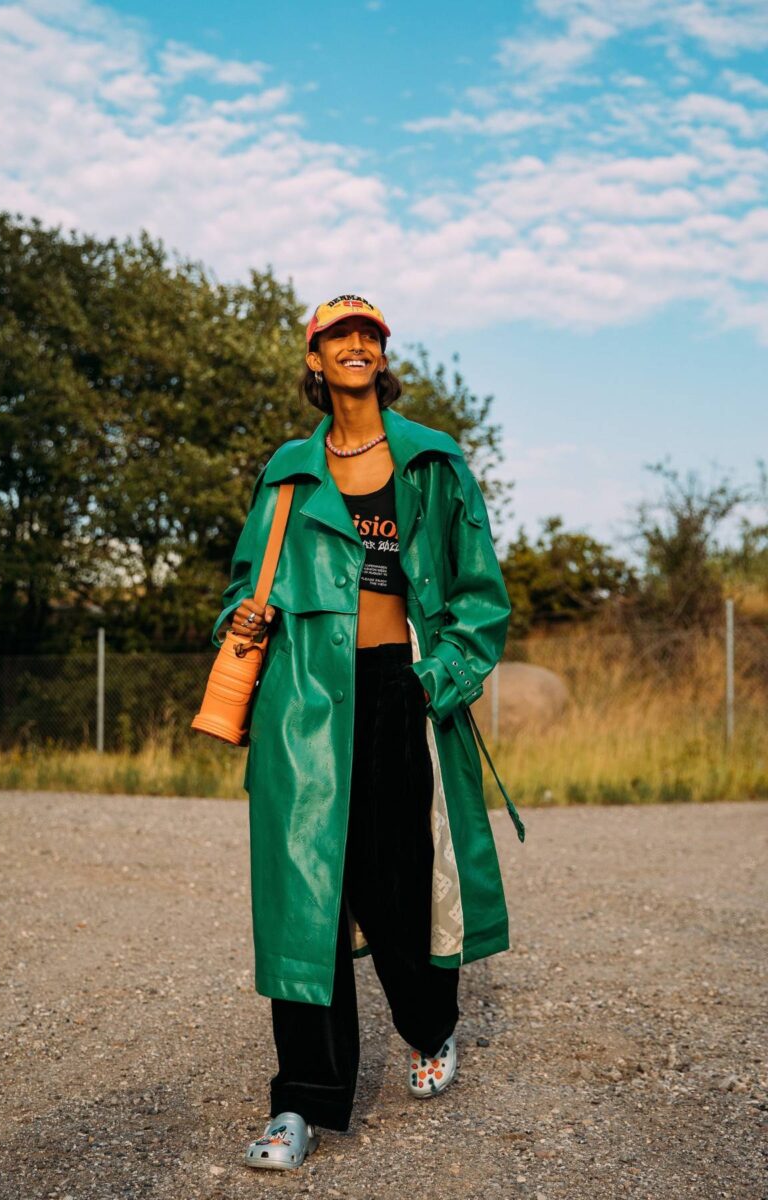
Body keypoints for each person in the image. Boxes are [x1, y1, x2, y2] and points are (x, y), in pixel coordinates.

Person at [211, 294, 525, 1171]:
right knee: (301, 896)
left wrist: (437, 680)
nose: (354, 345)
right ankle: (300, 1103)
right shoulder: (288, 471)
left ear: (381, 357)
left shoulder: (433, 461)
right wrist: (240, 632)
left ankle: (430, 1024)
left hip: (400, 688)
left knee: (398, 886)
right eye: (337, 336)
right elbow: (244, 586)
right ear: (314, 361)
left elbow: (480, 598)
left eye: (369, 335)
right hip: (304, 697)